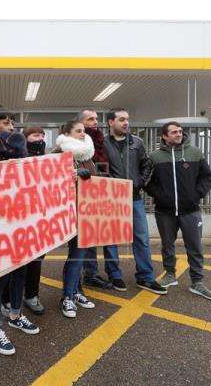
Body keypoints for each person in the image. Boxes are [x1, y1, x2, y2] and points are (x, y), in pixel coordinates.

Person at [0, 101, 40, 357]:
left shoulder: (20, 147)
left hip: (21, 216)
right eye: (6, 122)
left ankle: (16, 314)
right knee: (1, 275)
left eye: (12, 122)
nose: (12, 126)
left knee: (21, 270)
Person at [146, 121, 211, 301]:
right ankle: (170, 275)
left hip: (190, 210)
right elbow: (147, 180)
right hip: (165, 211)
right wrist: (160, 195)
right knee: (167, 245)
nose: (178, 134)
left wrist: (196, 194)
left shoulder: (194, 152)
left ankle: (197, 282)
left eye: (179, 131)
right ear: (164, 136)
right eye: (173, 132)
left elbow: (206, 176)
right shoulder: (155, 157)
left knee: (195, 246)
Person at [101, 108, 167, 295]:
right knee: (111, 239)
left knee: (141, 238)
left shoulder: (136, 143)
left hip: (134, 198)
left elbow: (146, 164)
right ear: (111, 122)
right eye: (121, 119)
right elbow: (99, 168)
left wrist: (140, 182)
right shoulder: (103, 144)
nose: (126, 123)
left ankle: (145, 277)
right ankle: (114, 275)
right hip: (111, 199)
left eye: (127, 119)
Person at [53, 119, 98, 318]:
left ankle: (77, 292)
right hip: (68, 212)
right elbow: (51, 182)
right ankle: (68, 296)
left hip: (86, 212)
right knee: (77, 254)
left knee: (80, 253)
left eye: (83, 130)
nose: (83, 133)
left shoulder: (87, 155)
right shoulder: (58, 154)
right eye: (78, 131)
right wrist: (71, 174)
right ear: (67, 133)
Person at [1, 126, 48, 315]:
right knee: (14, 262)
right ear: (25, 138)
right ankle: (6, 299)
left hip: (39, 219)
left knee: (36, 262)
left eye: (43, 135)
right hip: (17, 219)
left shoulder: (47, 160)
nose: (41, 138)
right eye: (36, 135)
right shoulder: (16, 158)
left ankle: (31, 295)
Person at [75, 109, 114, 291]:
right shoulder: (73, 142)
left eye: (96, 119)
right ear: (81, 123)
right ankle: (77, 281)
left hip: (95, 195)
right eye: (90, 119)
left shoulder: (100, 141)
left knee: (92, 237)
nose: (95, 122)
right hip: (77, 198)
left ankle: (90, 274)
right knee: (79, 243)